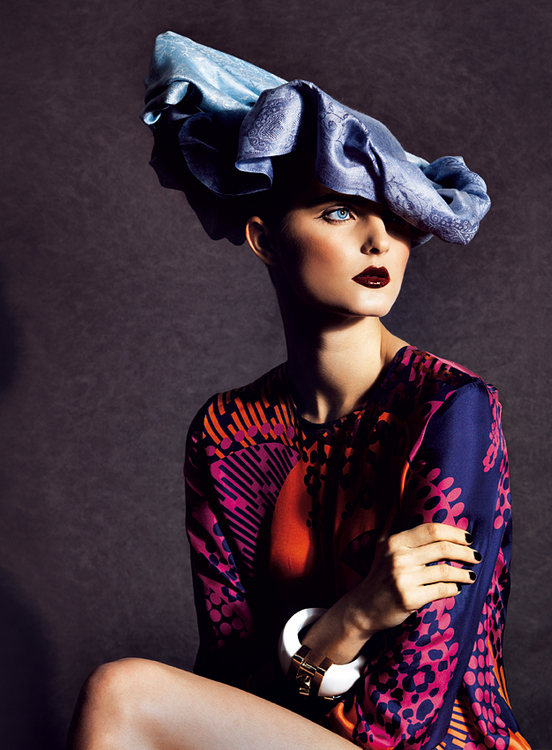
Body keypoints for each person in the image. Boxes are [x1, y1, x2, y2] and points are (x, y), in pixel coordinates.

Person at [66, 32, 531, 750]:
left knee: (123, 695)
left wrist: (306, 664)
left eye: (395, 217)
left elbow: (411, 713)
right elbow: (227, 677)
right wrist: (351, 619)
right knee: (124, 699)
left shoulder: (450, 410)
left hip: (432, 744)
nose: (378, 241)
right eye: (339, 212)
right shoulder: (226, 433)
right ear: (264, 238)